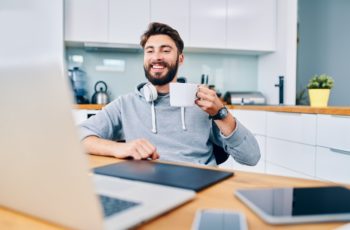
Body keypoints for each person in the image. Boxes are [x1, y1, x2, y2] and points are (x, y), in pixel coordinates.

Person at [79, 22, 260, 166]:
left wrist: (221, 113)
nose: (157, 57)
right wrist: (118, 148)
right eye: (150, 51)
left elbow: (251, 157)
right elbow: (77, 137)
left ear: (180, 59)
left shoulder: (204, 104)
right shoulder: (125, 105)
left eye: (165, 50)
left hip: (200, 184)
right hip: (148, 184)